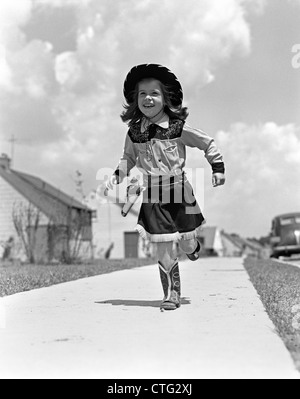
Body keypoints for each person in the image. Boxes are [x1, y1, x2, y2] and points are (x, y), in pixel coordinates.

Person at [105, 64, 225, 311]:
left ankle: (192, 247)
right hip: (153, 195)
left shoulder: (178, 128)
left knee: (186, 243)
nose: (148, 98)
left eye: (154, 93)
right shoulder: (134, 133)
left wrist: (218, 167)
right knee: (162, 246)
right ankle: (172, 294)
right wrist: (119, 174)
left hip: (180, 191)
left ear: (165, 98)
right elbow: (128, 157)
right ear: (134, 100)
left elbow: (207, 143)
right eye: (142, 94)